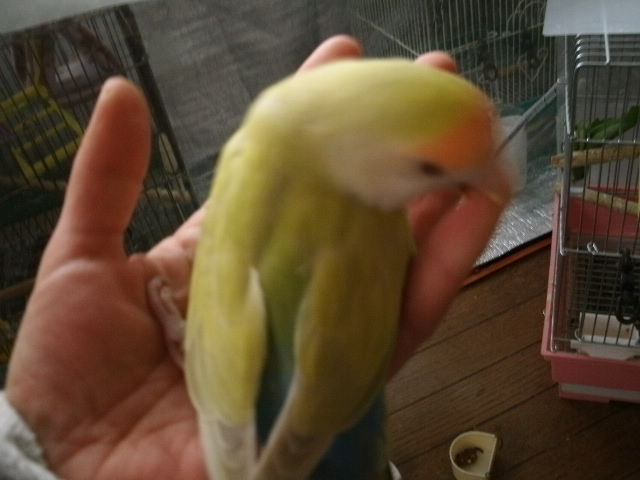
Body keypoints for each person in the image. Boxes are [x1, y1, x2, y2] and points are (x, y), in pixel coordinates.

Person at [1, 35, 511, 479]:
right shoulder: (378, 227)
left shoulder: (251, 151)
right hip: (337, 418)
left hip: (263, 408)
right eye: (428, 171)